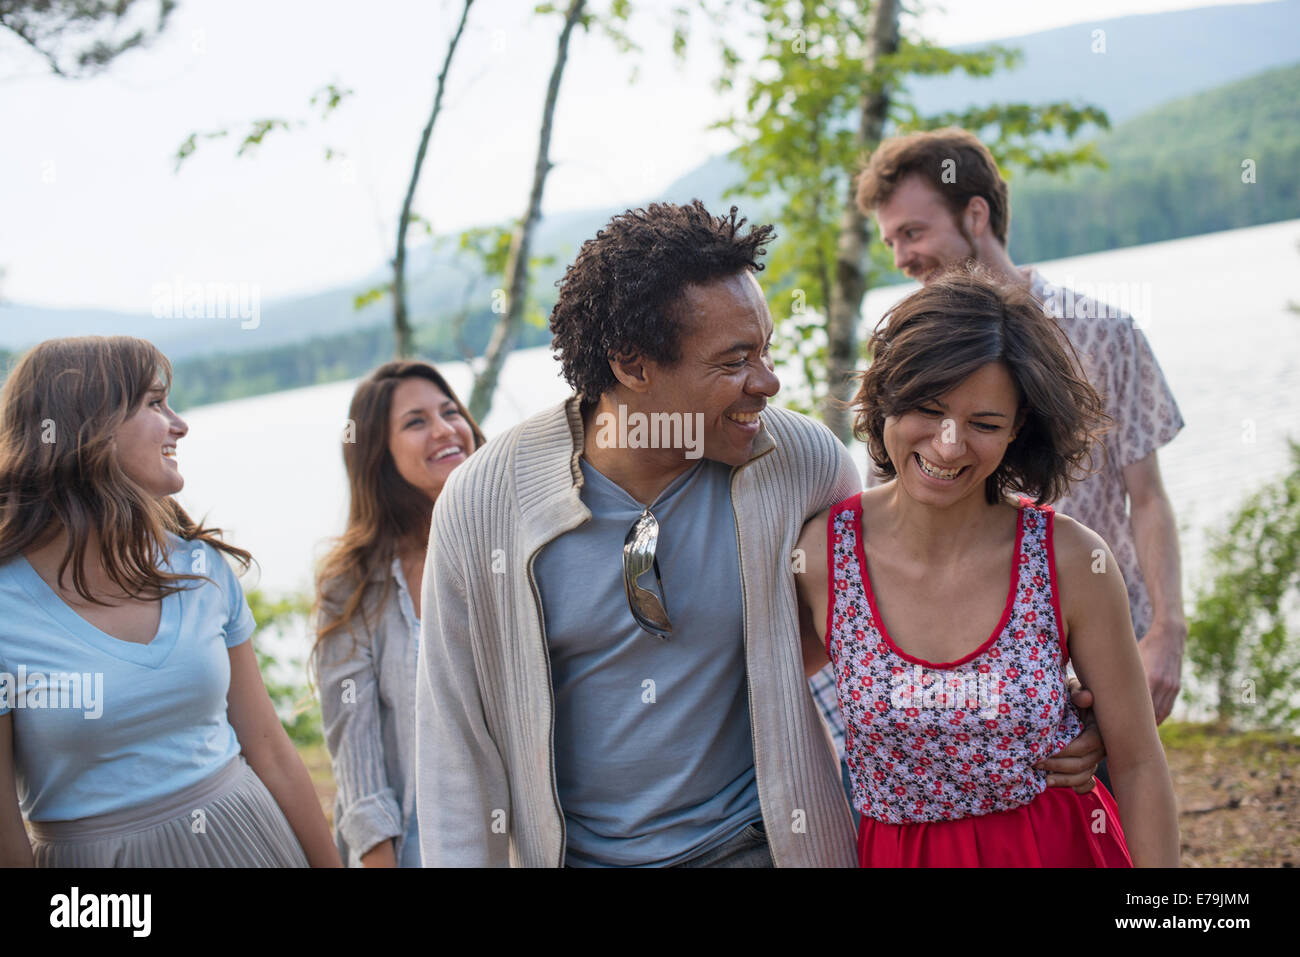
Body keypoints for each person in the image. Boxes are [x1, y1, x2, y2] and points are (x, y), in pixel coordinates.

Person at [414, 200, 1104, 868]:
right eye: (735, 359)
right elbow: (454, 741)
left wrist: (1051, 705)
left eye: (766, 348)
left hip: (762, 842)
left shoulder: (803, 463)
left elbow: (897, 618)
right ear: (632, 364)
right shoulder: (484, 502)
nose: (768, 381)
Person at [795, 269, 1180, 866]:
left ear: (1018, 429)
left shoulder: (1073, 559)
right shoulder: (820, 555)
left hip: (1058, 848)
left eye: (985, 424)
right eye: (928, 408)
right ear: (887, 394)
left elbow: (1137, 762)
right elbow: (757, 695)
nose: (949, 447)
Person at [856, 127, 1187, 730]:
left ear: (975, 213)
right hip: (974, 675)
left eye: (913, 231)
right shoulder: (904, 355)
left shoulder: (1103, 333)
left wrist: (1168, 629)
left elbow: (1148, 498)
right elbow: (890, 516)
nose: (901, 257)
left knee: (1121, 814)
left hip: (1104, 657)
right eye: (890, 241)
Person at [0, 336, 338, 867]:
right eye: (155, 404)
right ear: (90, 424)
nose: (179, 424)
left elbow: (269, 748)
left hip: (255, 845)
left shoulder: (200, 567)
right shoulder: (7, 608)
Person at [312, 361, 484, 867]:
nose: (445, 430)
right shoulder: (353, 585)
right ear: (379, 455)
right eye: (416, 422)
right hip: (424, 845)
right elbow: (357, 755)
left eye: (450, 411)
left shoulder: (520, 539)